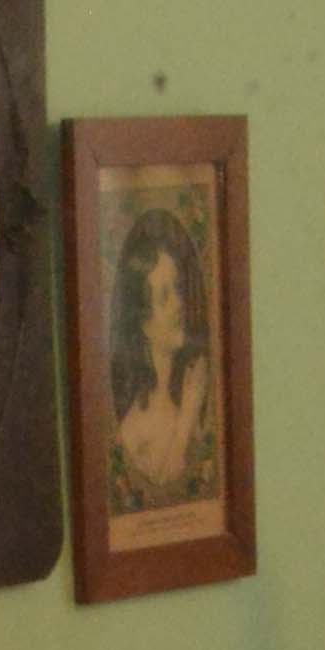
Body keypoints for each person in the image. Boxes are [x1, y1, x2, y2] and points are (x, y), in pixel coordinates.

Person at [108, 196, 219, 513]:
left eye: (178, 289)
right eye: (164, 296)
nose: (179, 304)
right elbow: (162, 484)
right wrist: (188, 414)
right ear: (142, 323)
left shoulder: (192, 384)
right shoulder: (135, 429)